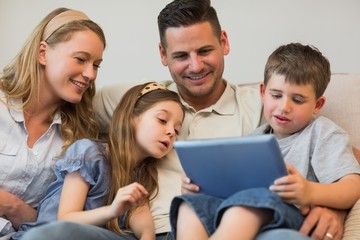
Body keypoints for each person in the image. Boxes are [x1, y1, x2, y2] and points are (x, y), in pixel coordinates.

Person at [21, 1, 350, 240]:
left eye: (205, 50)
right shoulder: (131, 100)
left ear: (224, 42)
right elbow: (60, 107)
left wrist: (328, 203)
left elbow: (335, 150)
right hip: (139, 231)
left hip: (229, 226)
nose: (195, 66)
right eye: (180, 55)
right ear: (163, 55)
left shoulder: (266, 104)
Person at [170, 43, 360, 240]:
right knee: (189, 205)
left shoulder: (322, 132)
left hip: (292, 217)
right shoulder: (254, 139)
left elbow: (353, 185)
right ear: (262, 92)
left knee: (250, 203)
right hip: (247, 223)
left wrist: (309, 191)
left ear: (317, 105)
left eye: (298, 100)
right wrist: (199, 189)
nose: (284, 107)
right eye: (276, 95)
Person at [13, 82, 184, 240]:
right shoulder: (89, 153)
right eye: (162, 120)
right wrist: (112, 211)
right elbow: (66, 218)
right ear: (131, 116)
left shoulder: (142, 174)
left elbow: (144, 227)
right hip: (53, 234)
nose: (171, 132)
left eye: (177, 130)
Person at [0, 7, 106, 239]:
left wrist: (12, 205)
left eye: (96, 65)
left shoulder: (78, 139)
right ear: (43, 53)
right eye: (81, 59)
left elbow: (51, 222)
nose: (90, 74)